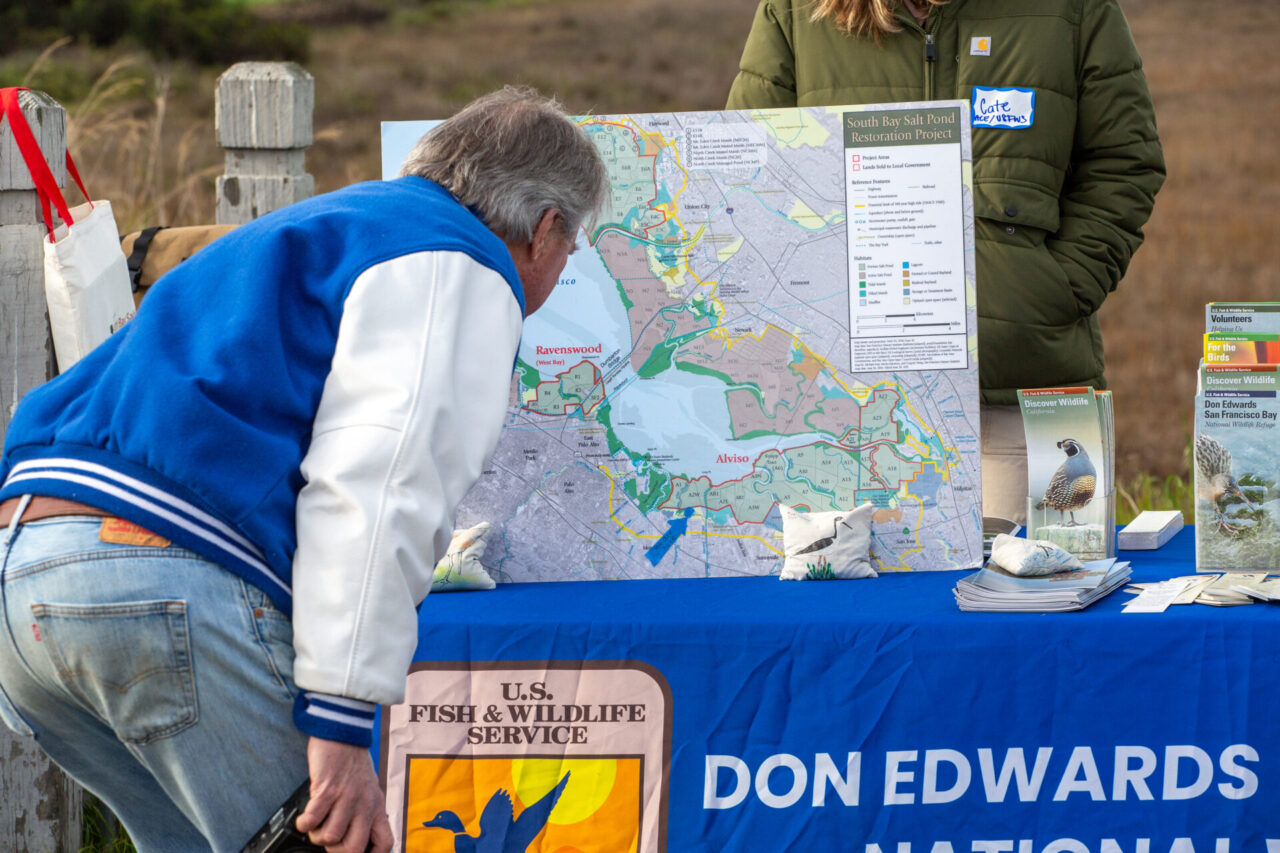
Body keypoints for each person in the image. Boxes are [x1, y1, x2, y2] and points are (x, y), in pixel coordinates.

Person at [0, 86, 608, 853]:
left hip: (25, 578)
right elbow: (380, 486)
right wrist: (342, 724)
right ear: (544, 229)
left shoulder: (327, 227)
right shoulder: (460, 264)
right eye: (571, 245)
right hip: (158, 580)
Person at [727, 0, 1164, 523]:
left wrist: (1054, 291)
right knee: (857, 604)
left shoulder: (1073, 9)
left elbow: (1124, 162)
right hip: (842, 411)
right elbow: (747, 168)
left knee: (1035, 597)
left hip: (1025, 402)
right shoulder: (797, 13)